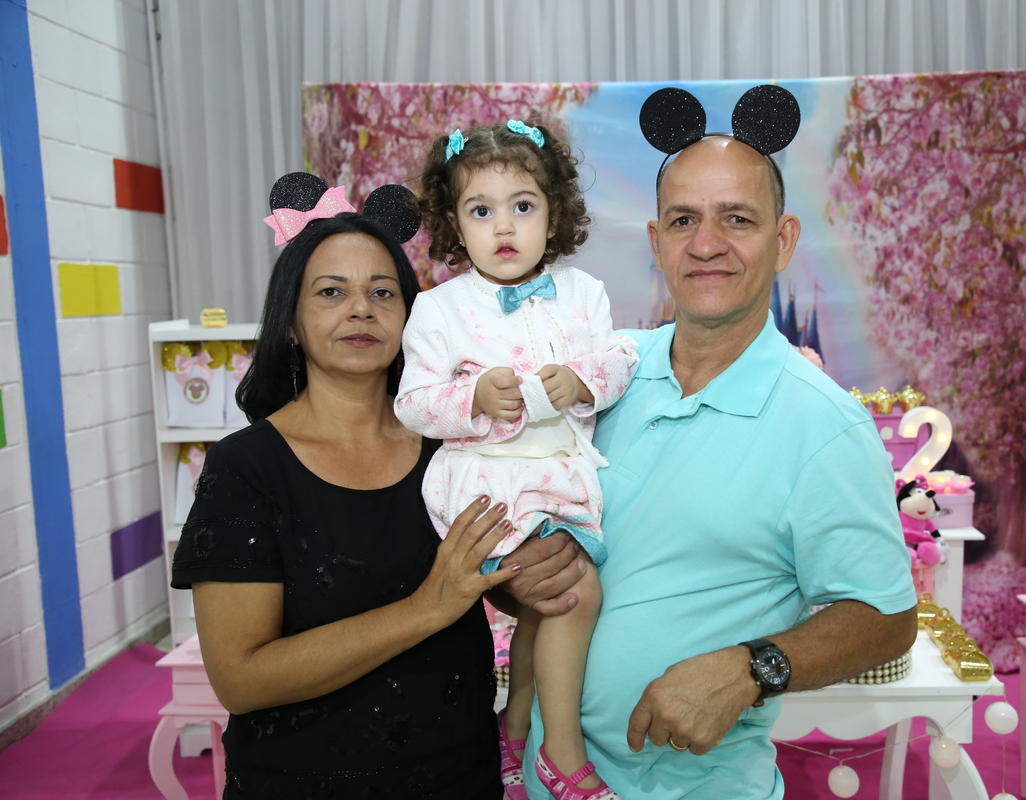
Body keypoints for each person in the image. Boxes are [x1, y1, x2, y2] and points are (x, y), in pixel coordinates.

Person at [522, 93, 918, 800]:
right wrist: (516, 578)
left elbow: (886, 620)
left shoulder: (824, 426)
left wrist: (749, 669)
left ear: (784, 240)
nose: (706, 244)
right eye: (684, 220)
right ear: (656, 242)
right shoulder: (597, 378)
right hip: (548, 782)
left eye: (737, 218)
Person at [171, 174, 585, 799]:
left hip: (461, 776)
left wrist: (531, 575)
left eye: (383, 292)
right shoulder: (245, 468)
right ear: (290, 322)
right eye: (331, 292)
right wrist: (427, 607)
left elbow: (494, 581)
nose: (361, 309)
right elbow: (241, 679)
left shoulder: (454, 443)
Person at [395, 120, 638, 800]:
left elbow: (622, 358)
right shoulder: (439, 309)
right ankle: (561, 751)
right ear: (454, 222)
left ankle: (516, 723)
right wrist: (472, 397)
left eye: (522, 206)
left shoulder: (583, 292)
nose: (504, 226)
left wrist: (583, 381)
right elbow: (412, 403)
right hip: (489, 483)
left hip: (559, 473)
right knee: (574, 594)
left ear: (553, 213)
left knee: (543, 606)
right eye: (481, 210)